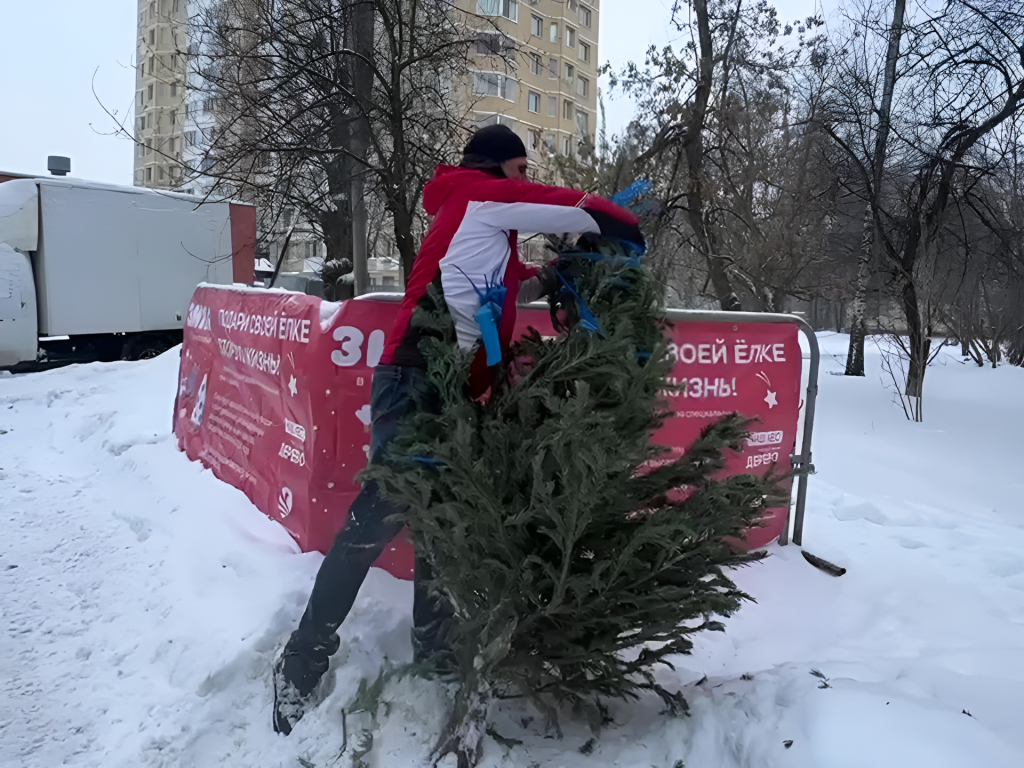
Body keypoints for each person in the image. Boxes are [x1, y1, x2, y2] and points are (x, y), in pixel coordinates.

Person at [272, 124, 644, 735]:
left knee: (444, 515)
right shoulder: (479, 194)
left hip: (451, 381)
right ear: (499, 167)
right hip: (417, 375)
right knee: (378, 517)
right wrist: (624, 227)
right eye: (521, 169)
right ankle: (301, 660)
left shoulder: (481, 220)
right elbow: (574, 207)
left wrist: (550, 280)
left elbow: (502, 284)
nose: (526, 180)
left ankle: (436, 644)